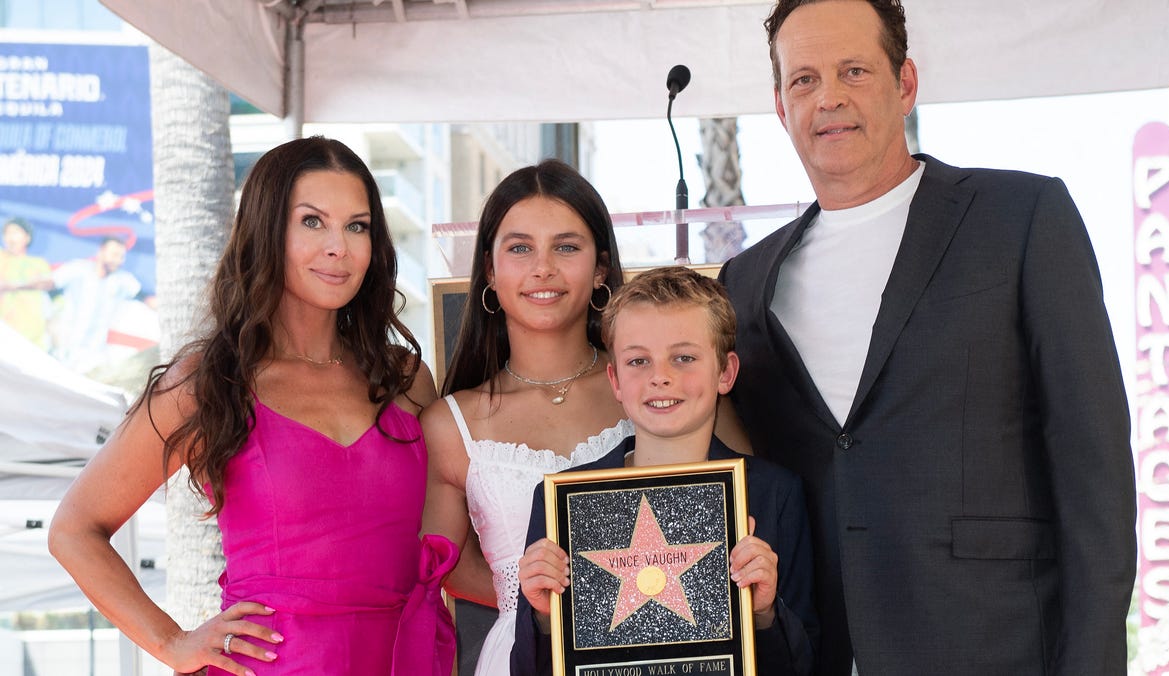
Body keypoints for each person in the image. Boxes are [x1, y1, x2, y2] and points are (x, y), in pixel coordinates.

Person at [717, 1, 1136, 674]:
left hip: (998, 648)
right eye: (804, 80)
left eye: (853, 70)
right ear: (779, 104)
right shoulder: (745, 282)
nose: (829, 98)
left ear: (905, 83)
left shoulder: (1022, 219)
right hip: (821, 650)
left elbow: (1094, 473)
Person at [49, 136, 457, 676]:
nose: (339, 246)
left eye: (358, 226)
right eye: (313, 221)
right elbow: (74, 530)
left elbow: (448, 543)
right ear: (267, 229)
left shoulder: (405, 378)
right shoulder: (209, 381)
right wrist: (172, 643)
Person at [511, 266, 819, 675]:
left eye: (684, 357)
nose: (660, 377)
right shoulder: (563, 501)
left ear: (725, 372)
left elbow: (806, 663)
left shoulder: (773, 493)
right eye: (638, 360)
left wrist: (764, 612)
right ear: (615, 379)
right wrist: (544, 618)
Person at [420, 159, 633, 676]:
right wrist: (521, 591)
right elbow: (442, 567)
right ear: (490, 271)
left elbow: (739, 493)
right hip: (519, 658)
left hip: (657, 652)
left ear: (600, 267)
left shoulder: (651, 385)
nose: (543, 268)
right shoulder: (450, 425)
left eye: (566, 246)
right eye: (519, 248)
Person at [51, 235, 141, 371]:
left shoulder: (123, 281)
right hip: (65, 352)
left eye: (122, 257)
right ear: (101, 252)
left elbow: (146, 299)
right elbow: (49, 283)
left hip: (95, 357)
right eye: (115, 254)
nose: (118, 260)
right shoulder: (78, 269)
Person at [0, 217, 53, 348]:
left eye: (16, 232)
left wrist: (12, 285)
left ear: (27, 238)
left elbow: (48, 285)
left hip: (32, 336)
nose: (10, 238)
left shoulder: (39, 263)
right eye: (7, 233)